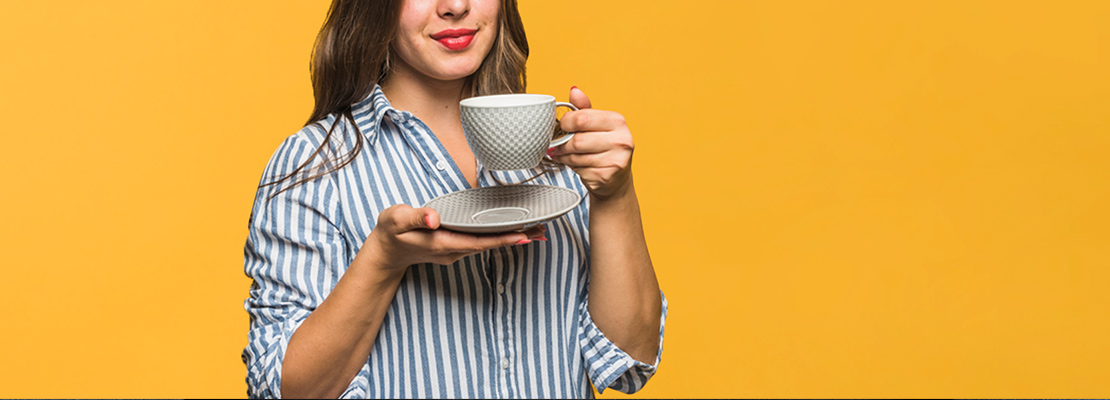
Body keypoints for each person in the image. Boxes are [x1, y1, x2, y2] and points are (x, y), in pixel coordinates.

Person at [241, 0, 666, 398]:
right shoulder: (317, 165)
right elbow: (287, 391)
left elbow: (629, 359)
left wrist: (614, 194)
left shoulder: (558, 154)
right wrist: (383, 259)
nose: (456, 6)